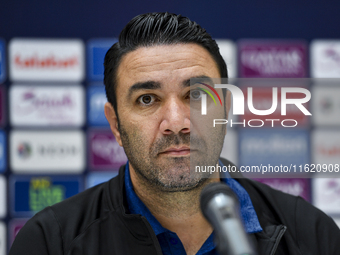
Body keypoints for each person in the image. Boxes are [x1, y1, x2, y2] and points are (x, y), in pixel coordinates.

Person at [9, 12, 340, 255]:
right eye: (147, 99)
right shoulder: (51, 242)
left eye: (196, 95)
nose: (177, 121)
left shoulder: (310, 234)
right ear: (115, 125)